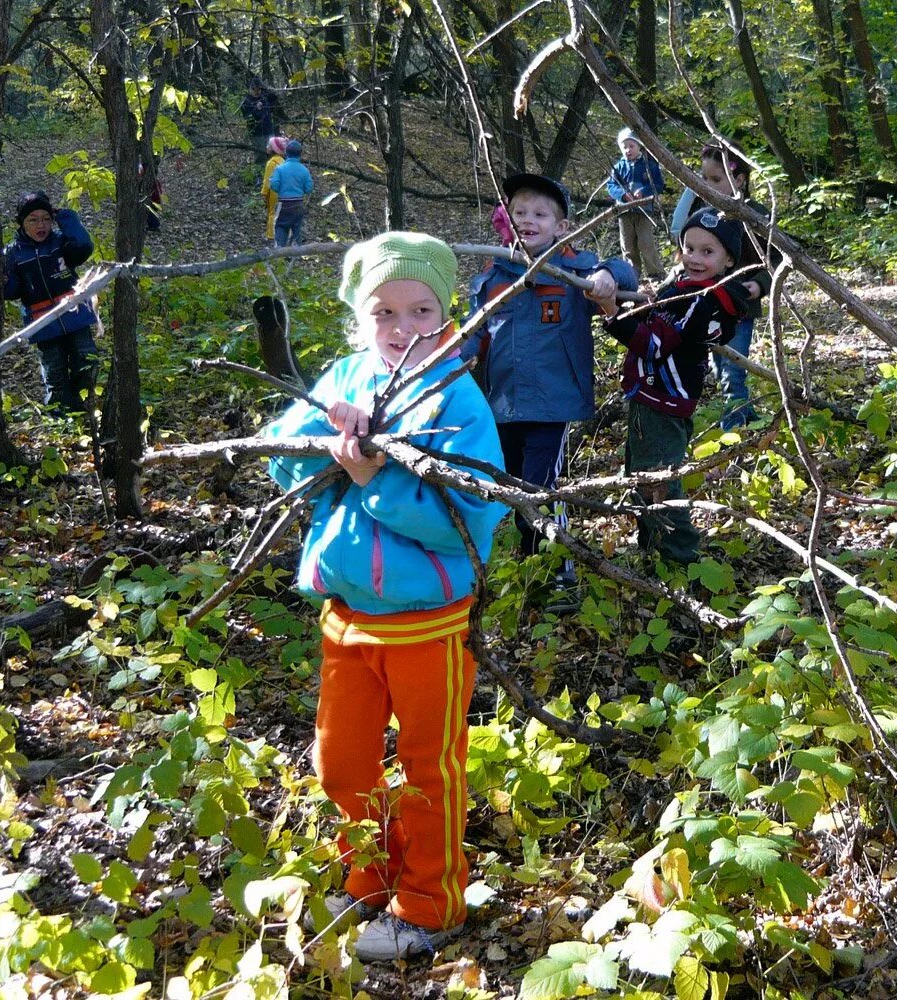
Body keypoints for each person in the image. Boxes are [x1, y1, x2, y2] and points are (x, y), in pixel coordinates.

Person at [260, 231, 508, 962]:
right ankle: (367, 875)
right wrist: (323, 426)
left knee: (430, 766)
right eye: (384, 313)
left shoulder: (457, 400)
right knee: (342, 762)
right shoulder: (343, 377)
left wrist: (376, 486)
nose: (402, 328)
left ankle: (430, 904)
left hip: (429, 623)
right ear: (358, 321)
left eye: (422, 310)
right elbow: (282, 464)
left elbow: (469, 520)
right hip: (346, 620)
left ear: (448, 316)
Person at [462, 173, 636, 589]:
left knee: (540, 487)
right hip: (501, 402)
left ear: (561, 228)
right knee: (509, 482)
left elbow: (624, 274)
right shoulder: (493, 276)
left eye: (540, 213)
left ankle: (558, 568)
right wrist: (444, 363)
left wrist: (608, 277)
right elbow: (473, 336)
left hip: (551, 404)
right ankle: (527, 560)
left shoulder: (575, 270)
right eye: (519, 211)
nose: (528, 219)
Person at [596, 208, 747, 564]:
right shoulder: (680, 288)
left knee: (658, 482)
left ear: (728, 261)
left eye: (707, 252)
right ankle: (651, 550)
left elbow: (654, 345)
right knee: (641, 479)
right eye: (689, 248)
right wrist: (637, 303)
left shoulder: (703, 300)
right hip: (646, 397)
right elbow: (655, 317)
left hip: (663, 402)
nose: (695, 258)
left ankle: (679, 557)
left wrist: (610, 312)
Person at [670, 143, 772, 429]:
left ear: (739, 181)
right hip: (706, 306)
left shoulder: (754, 214)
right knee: (718, 365)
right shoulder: (703, 214)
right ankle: (745, 413)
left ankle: (734, 429)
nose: (707, 185)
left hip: (739, 306)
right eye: (704, 178)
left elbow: (773, 257)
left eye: (715, 179)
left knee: (733, 370)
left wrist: (759, 284)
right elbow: (681, 240)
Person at [2, 191, 99, 414]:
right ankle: (61, 416)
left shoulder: (61, 243)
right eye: (33, 220)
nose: (40, 225)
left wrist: (65, 216)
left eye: (46, 218)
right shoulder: (13, 254)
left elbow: (84, 246)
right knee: (55, 374)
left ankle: (83, 407)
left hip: (75, 317)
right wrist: (4, 280)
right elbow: (12, 291)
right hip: (43, 324)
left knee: (86, 361)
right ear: (22, 224)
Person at [606, 127, 666, 279]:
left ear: (639, 146)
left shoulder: (649, 165)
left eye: (631, 146)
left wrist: (644, 191)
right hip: (624, 211)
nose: (627, 150)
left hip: (644, 211)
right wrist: (623, 195)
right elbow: (611, 186)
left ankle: (656, 273)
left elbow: (658, 185)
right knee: (628, 247)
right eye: (624, 147)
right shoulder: (618, 167)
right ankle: (631, 276)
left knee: (646, 243)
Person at [268, 139, 312, 247]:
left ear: (286, 153)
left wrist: (280, 189)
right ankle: (295, 255)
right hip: (299, 204)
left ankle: (280, 252)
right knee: (296, 228)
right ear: (300, 154)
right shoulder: (304, 170)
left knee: (280, 226)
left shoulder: (280, 169)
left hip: (283, 203)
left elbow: (274, 185)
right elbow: (309, 188)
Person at [238, 79, 281, 164]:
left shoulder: (264, 97)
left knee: (272, 152)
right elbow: (247, 117)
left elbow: (275, 97)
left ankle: (272, 170)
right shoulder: (246, 102)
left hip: (268, 129)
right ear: (249, 89)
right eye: (253, 89)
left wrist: (266, 88)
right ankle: (260, 173)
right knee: (260, 154)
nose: (257, 91)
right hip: (257, 133)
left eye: (258, 89)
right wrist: (255, 109)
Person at [260, 136, 288, 241]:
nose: (267, 147)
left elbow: (267, 180)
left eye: (269, 145)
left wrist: (264, 193)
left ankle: (271, 235)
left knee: (272, 213)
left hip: (273, 192)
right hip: (284, 192)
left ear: (273, 149)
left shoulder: (271, 163)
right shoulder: (284, 162)